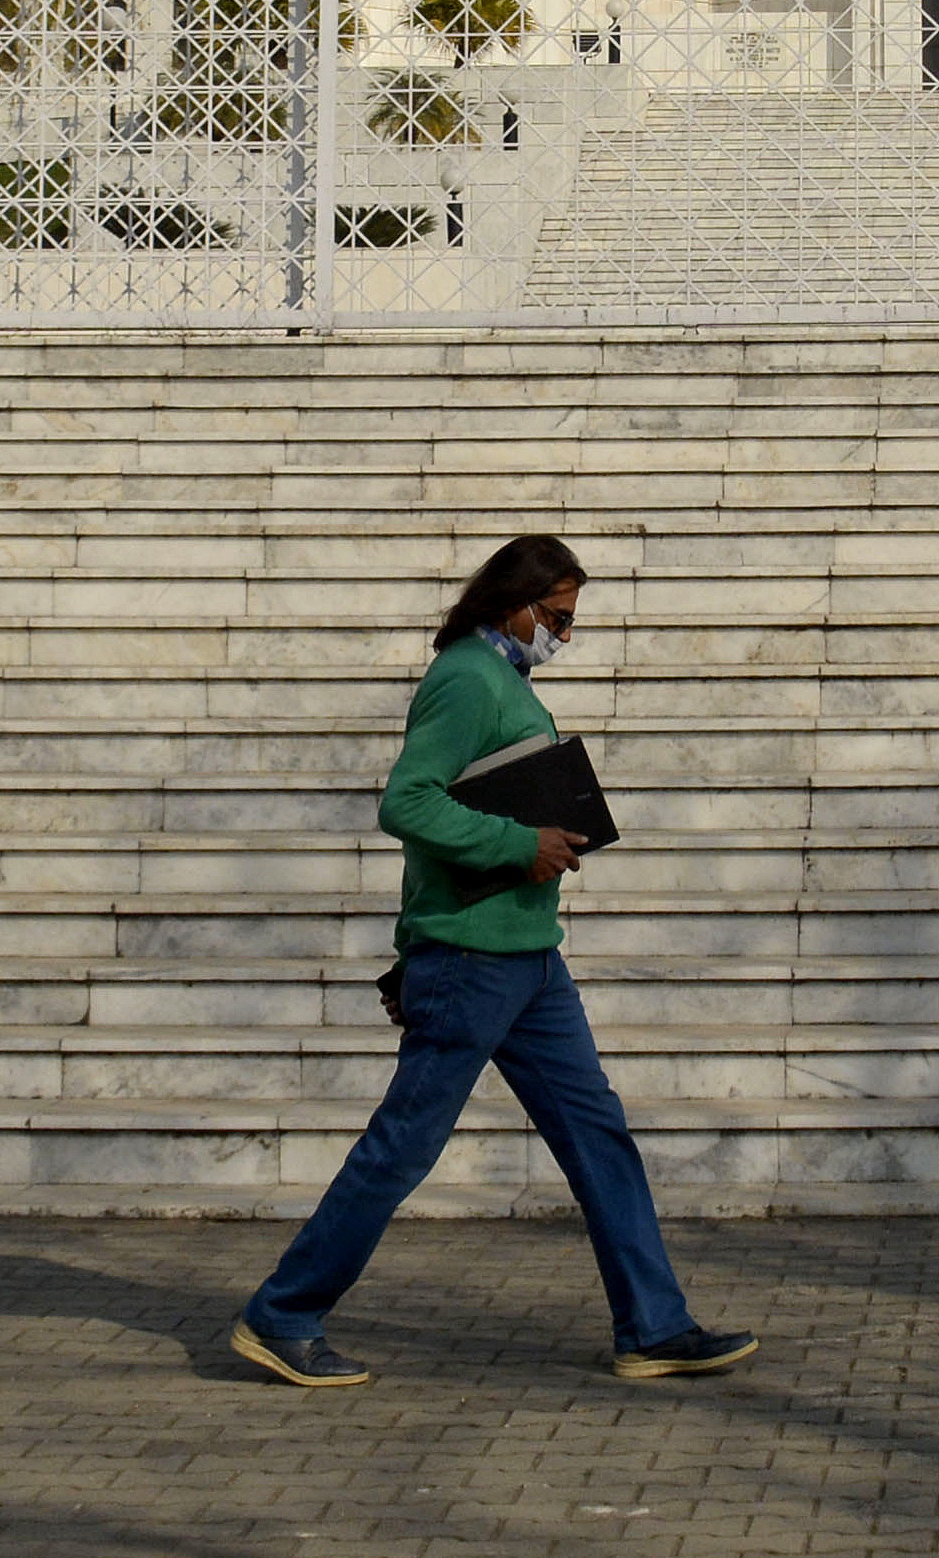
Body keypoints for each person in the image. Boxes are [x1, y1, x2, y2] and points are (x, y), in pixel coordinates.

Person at [231, 534, 757, 1389]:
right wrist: (518, 841)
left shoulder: (502, 678)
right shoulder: (465, 679)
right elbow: (404, 800)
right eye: (555, 617)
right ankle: (281, 1314)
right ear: (511, 601)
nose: (563, 635)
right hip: (470, 955)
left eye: (570, 620)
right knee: (403, 1146)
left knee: (599, 1137)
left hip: (528, 958)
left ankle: (653, 1327)